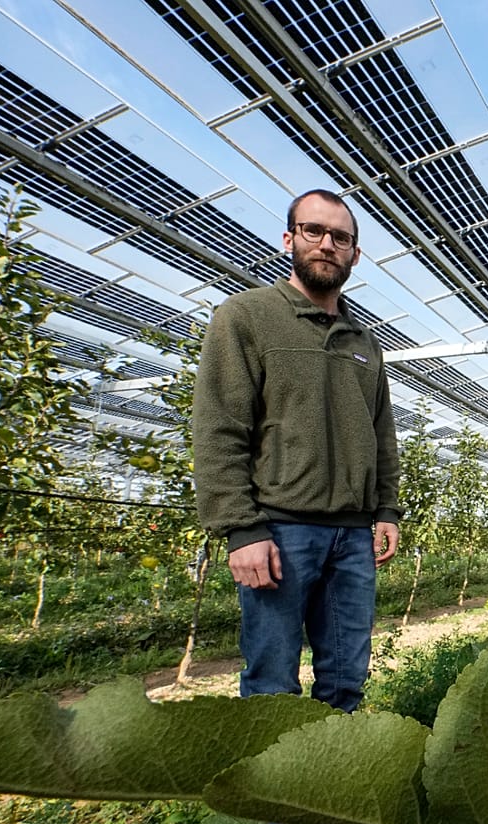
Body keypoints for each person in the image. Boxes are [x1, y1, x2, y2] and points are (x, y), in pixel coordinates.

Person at [192, 188, 401, 712]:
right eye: (314, 231)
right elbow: (220, 425)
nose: (327, 244)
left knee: (346, 680)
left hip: (353, 538)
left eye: (341, 237)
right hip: (280, 533)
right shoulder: (247, 317)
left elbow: (382, 435)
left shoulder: (364, 343)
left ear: (355, 253)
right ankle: (269, 791)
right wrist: (240, 529)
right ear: (289, 239)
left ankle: (332, 785)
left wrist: (387, 509)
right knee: (271, 684)